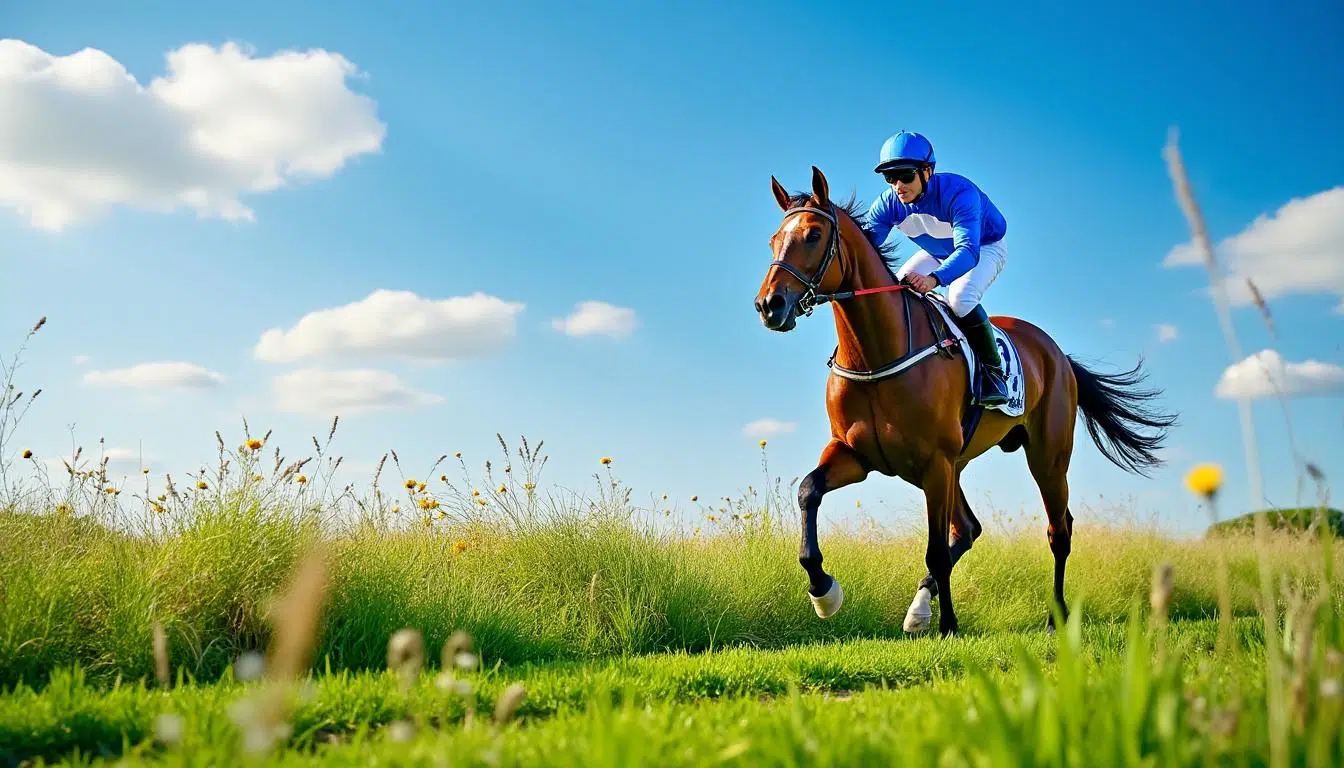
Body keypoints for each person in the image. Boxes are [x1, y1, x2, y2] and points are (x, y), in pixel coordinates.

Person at [864, 130, 1011, 408]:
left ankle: (994, 373)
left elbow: (968, 252)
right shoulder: (888, 204)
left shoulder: (960, 193)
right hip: (937, 252)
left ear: (927, 171)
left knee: (960, 298)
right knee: (894, 292)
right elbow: (865, 248)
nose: (898, 186)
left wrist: (934, 279)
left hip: (984, 247)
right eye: (890, 177)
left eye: (905, 175)